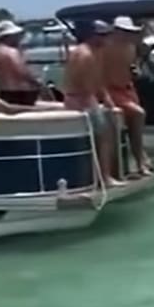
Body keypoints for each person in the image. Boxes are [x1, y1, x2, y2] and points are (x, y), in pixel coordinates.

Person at [63, 20, 119, 185]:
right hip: (81, 99)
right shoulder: (86, 55)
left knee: (102, 133)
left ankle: (101, 175)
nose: (107, 39)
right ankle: (105, 177)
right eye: (104, 35)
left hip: (75, 97)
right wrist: (97, 106)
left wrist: (107, 99)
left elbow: (96, 82)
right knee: (104, 135)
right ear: (94, 36)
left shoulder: (83, 51)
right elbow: (87, 87)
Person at [103, 16, 152, 175]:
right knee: (138, 114)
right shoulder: (106, 47)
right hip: (111, 90)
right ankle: (140, 161)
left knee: (135, 125)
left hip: (128, 89)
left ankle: (140, 158)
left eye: (129, 32)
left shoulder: (131, 46)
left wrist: (135, 70)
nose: (127, 34)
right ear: (116, 31)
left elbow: (132, 66)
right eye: (124, 31)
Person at [0, 20, 41, 105]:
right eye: (15, 35)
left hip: (1, 92)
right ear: (8, 36)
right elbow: (21, 71)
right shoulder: (11, 51)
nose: (18, 38)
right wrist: (36, 81)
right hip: (20, 93)